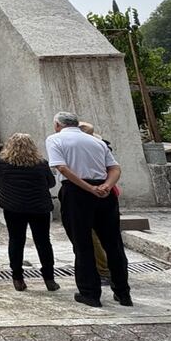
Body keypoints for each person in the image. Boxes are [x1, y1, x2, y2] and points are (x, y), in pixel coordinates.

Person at [46, 111, 132, 308]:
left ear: (57, 125)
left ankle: (90, 294)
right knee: (113, 245)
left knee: (82, 245)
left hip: (77, 193)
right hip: (105, 193)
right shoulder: (96, 142)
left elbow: (62, 169)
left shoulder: (55, 139)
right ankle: (123, 293)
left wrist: (89, 188)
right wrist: (106, 186)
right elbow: (115, 168)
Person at [0, 133, 60, 293]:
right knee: (43, 242)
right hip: (39, 207)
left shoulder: (2, 163)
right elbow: (51, 182)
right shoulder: (41, 163)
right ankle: (49, 279)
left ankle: (18, 278)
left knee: (16, 241)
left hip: (13, 208)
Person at [79, 122, 112, 286]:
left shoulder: (90, 148)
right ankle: (111, 270)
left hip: (91, 192)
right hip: (105, 191)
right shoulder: (101, 146)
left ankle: (104, 270)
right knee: (105, 233)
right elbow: (115, 169)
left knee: (91, 234)